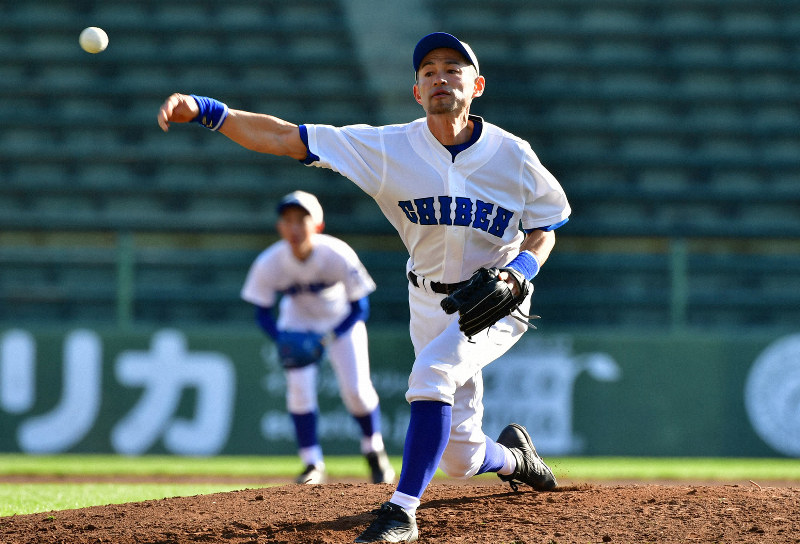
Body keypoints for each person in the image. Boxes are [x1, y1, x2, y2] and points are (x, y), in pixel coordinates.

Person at [158, 31, 571, 543]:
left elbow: (547, 223)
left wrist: (521, 271)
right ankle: (514, 459)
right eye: (428, 72)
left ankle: (401, 510)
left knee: (431, 374)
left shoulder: (514, 155)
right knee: (460, 457)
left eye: (453, 67)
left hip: (499, 296)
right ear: (417, 93)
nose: (440, 76)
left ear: (477, 84)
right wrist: (206, 110)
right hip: (429, 298)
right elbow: (287, 138)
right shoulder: (387, 147)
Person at [240, 190, 395, 486]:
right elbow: (261, 312)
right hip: (297, 323)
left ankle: (374, 451)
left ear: (318, 225)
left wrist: (328, 337)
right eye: (287, 220)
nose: (294, 227)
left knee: (357, 391)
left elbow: (360, 307)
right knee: (299, 392)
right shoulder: (269, 262)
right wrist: (282, 337)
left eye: (302, 219)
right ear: (280, 227)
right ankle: (312, 462)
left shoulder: (336, 253)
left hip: (340, 322)